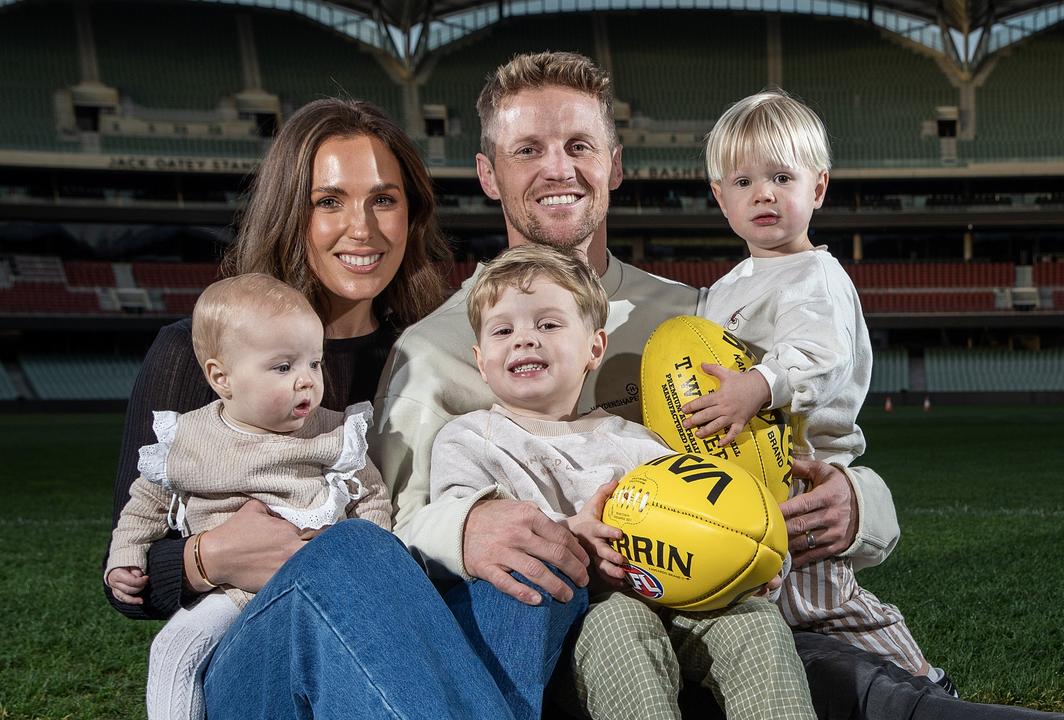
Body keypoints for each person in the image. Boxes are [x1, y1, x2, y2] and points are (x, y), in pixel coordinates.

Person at [372, 50, 1064, 720]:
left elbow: (809, 435)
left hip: (740, 587)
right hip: (579, 630)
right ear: (489, 173)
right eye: (528, 150)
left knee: (841, 676)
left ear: (616, 166)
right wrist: (469, 523)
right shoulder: (435, 350)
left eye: (579, 145)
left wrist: (859, 504)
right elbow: (394, 525)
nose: (558, 168)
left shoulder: (696, 315)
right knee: (858, 693)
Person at [105, 98, 586, 720]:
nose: (362, 228)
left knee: (531, 572)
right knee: (353, 548)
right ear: (289, 212)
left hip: (403, 636)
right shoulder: (193, 352)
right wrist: (211, 557)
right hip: (255, 653)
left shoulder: (436, 350)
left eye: (383, 199)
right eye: (328, 201)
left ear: (411, 213)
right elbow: (128, 572)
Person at [431, 244, 816, 719]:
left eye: (548, 325)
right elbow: (465, 539)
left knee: (756, 624)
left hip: (675, 598)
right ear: (481, 358)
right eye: (503, 330)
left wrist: (748, 560)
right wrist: (567, 537)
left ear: (595, 347)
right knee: (619, 620)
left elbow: (706, 516)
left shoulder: (639, 441)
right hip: (571, 622)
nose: (524, 340)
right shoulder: (468, 440)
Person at [677, 90, 945, 689]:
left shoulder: (816, 276)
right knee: (759, 608)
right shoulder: (724, 288)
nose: (763, 194)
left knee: (825, 603)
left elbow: (820, 358)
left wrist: (758, 384)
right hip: (748, 480)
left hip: (806, 475)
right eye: (743, 181)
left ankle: (923, 680)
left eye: (781, 176)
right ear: (720, 198)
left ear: (817, 188)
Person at [106, 274, 393, 720]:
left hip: (319, 581)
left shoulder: (331, 432)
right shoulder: (191, 436)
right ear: (222, 378)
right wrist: (125, 556)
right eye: (284, 367)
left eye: (314, 364)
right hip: (229, 590)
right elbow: (145, 502)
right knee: (175, 648)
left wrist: (371, 554)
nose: (306, 382)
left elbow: (370, 495)